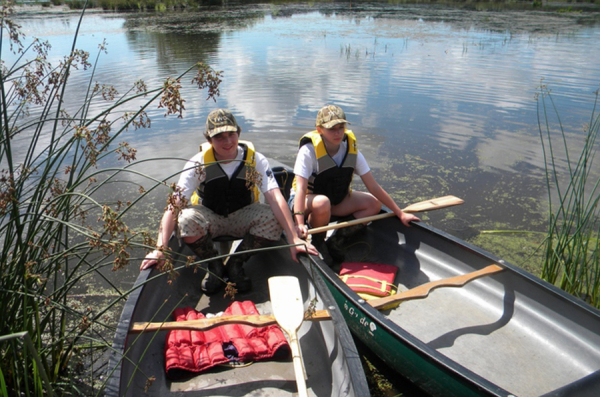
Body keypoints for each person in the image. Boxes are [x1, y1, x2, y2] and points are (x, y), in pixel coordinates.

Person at [141, 109, 317, 294]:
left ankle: (236, 263)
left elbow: (275, 197)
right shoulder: (198, 163)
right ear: (209, 139)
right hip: (210, 218)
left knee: (274, 216)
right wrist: (161, 249)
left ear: (238, 133)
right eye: (219, 137)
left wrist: (294, 239)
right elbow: (174, 205)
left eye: (231, 134)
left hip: (244, 215)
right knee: (184, 219)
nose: (227, 142)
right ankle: (215, 265)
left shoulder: (254, 160)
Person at [290, 104, 420, 263]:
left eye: (341, 127)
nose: (338, 133)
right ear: (319, 130)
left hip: (336, 199)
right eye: (332, 129)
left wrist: (400, 213)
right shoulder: (309, 151)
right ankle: (318, 241)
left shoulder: (351, 151)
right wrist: (299, 222)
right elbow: (301, 189)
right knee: (322, 203)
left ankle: (337, 239)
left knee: (373, 204)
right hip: (306, 202)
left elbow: (373, 186)